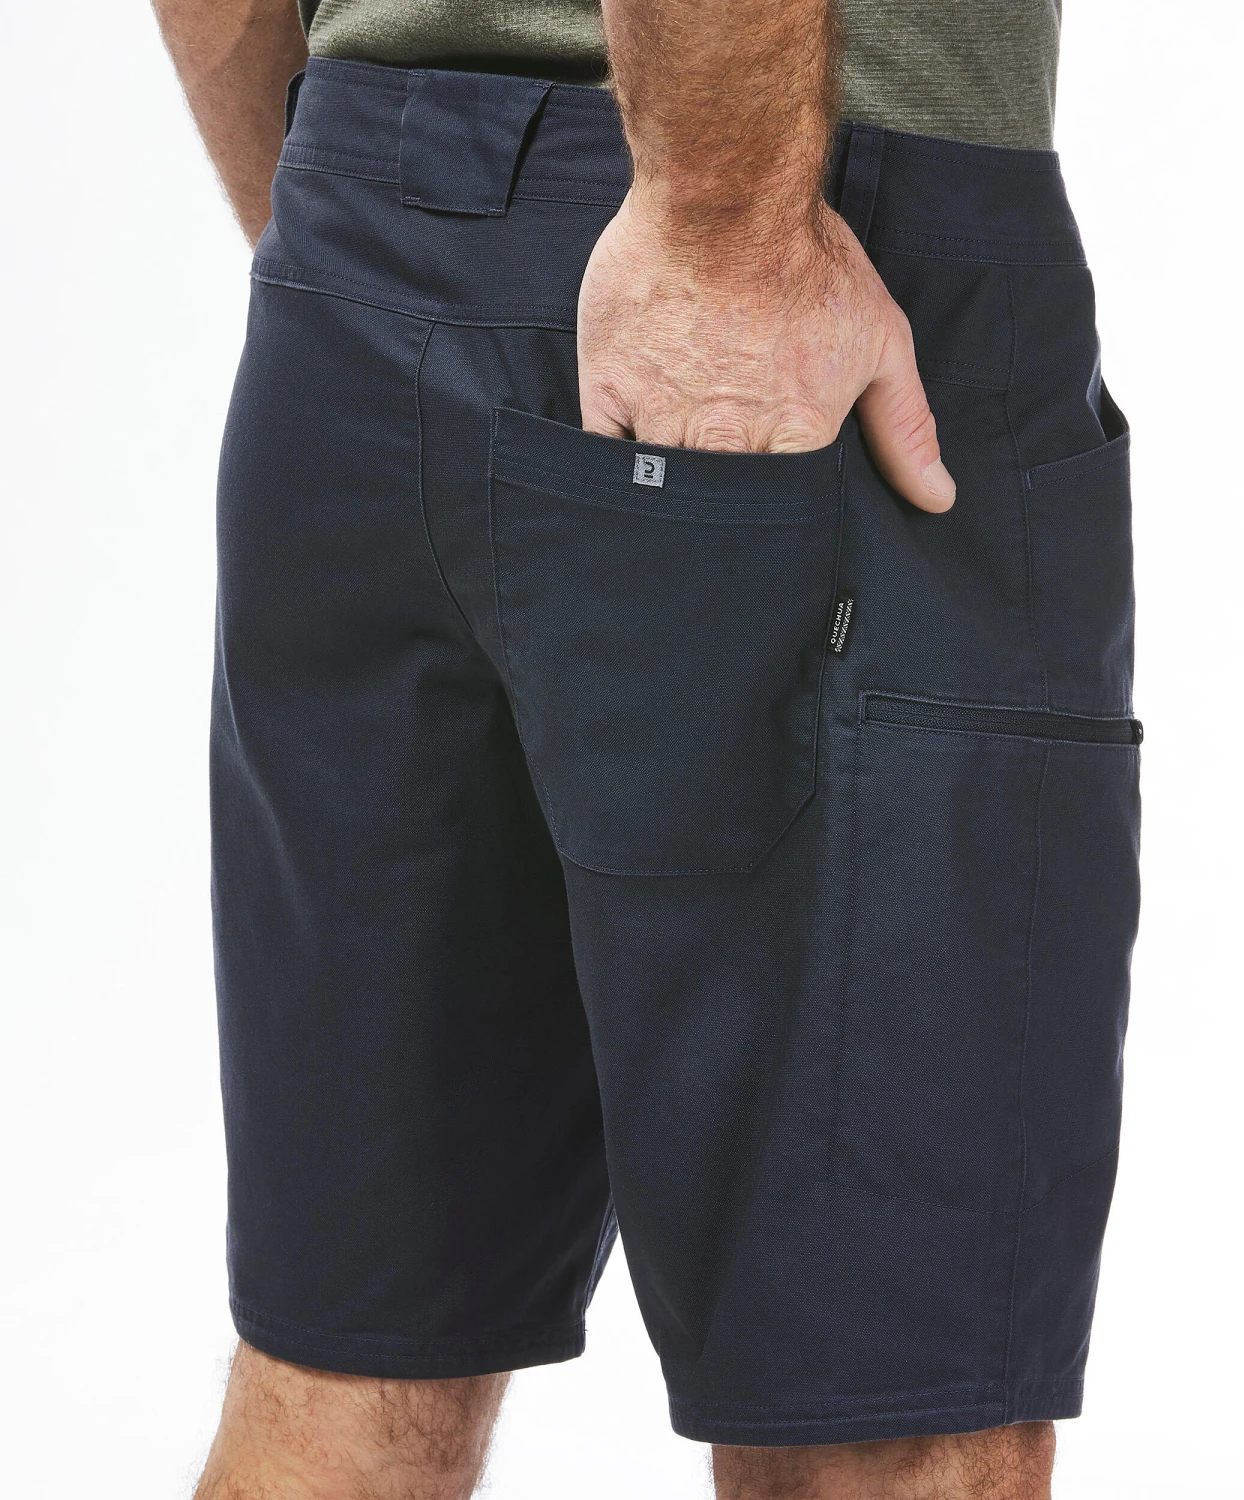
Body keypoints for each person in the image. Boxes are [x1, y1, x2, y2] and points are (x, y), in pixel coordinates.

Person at [153, 0, 1140, 1494]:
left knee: (347, 1386)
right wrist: (723, 224)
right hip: (774, 196)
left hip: (358, 248)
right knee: (885, 1420)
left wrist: (336, 227)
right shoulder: (738, 222)